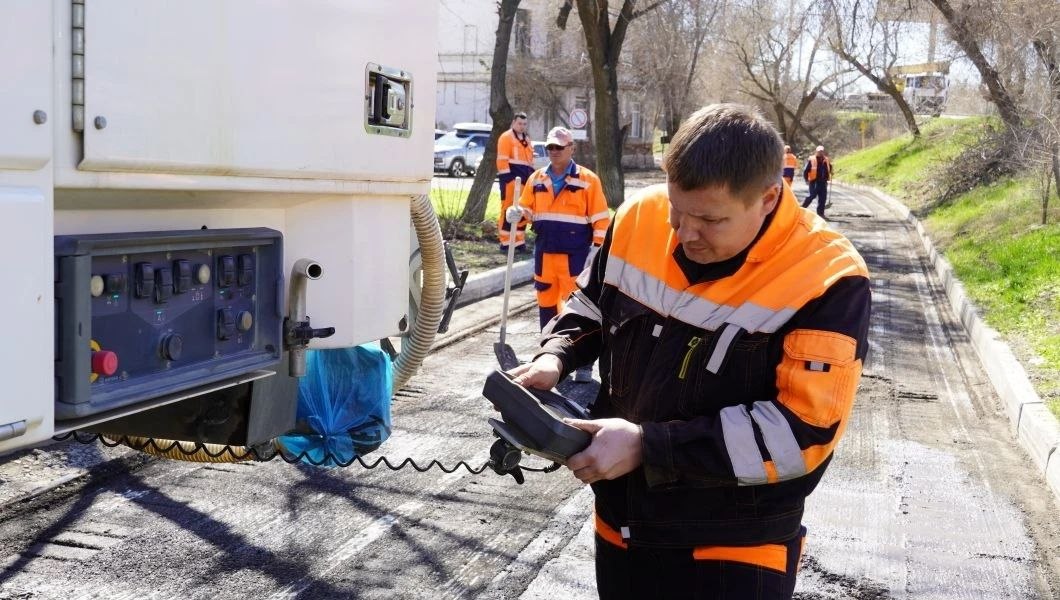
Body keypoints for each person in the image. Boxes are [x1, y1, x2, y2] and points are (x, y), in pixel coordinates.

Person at [507, 105, 870, 598]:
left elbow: (800, 433)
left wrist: (647, 445)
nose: (683, 232)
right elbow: (591, 303)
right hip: (622, 523)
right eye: (678, 209)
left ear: (767, 199)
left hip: (735, 547)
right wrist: (557, 355)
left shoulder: (827, 277)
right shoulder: (640, 215)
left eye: (710, 219)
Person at [506, 126, 609, 382]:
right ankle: (548, 356)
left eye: (559, 147)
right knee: (546, 306)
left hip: (577, 256)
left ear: (571, 148)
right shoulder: (537, 179)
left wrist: (595, 252)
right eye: (549, 147)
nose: (553, 151)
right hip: (545, 253)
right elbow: (527, 210)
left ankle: (583, 364)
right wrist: (516, 214)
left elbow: (601, 220)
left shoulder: (588, 180)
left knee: (580, 311)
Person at [497, 112, 535, 253]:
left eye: (524, 124)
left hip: (525, 180)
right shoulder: (506, 137)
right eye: (520, 123)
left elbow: (530, 161)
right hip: (511, 180)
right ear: (513, 122)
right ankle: (506, 242)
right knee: (507, 210)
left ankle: (519, 242)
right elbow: (502, 160)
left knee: (522, 210)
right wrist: (509, 180)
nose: (522, 126)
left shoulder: (527, 140)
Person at [801, 145, 832, 218]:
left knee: (822, 198)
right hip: (814, 182)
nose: (820, 152)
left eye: (822, 151)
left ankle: (820, 214)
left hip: (823, 182)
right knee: (811, 196)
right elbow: (806, 171)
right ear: (816, 152)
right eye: (819, 151)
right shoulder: (812, 159)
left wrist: (831, 171)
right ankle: (802, 209)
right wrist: (806, 179)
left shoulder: (826, 160)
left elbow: (829, 168)